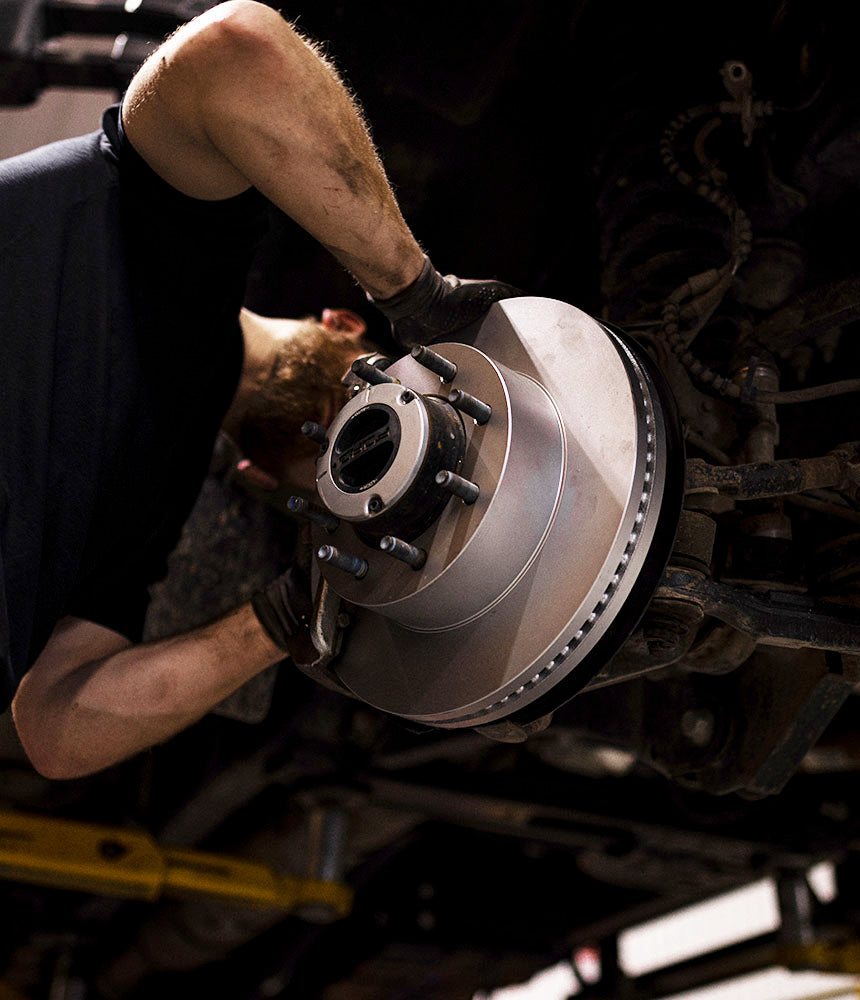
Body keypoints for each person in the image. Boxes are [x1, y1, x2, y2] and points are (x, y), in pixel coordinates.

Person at [1, 0, 516, 780]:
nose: (379, 439)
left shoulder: (147, 512)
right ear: (344, 322)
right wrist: (416, 291)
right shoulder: (176, 250)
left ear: (262, 486)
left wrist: (283, 617)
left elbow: (56, 730)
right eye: (401, 403)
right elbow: (235, 49)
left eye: (368, 472)